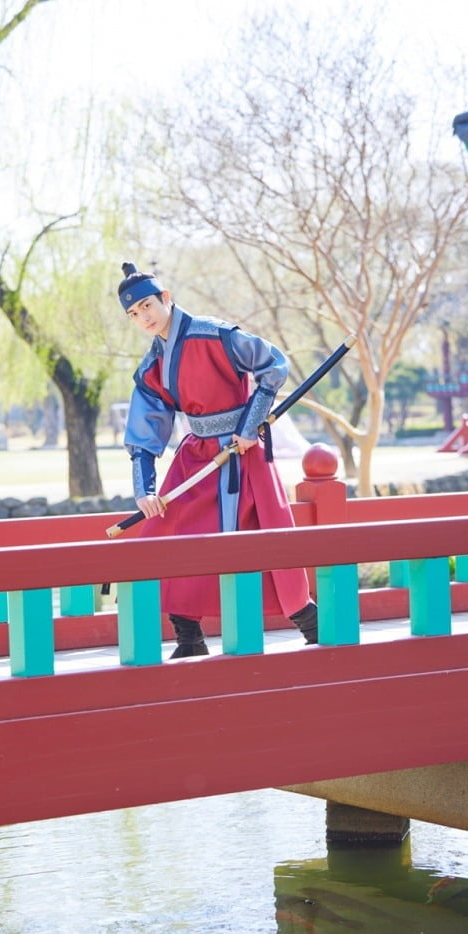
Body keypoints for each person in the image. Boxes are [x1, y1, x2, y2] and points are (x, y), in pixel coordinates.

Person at [118, 262, 318, 658]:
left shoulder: (216, 334)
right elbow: (145, 432)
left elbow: (274, 366)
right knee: (169, 535)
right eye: (133, 313)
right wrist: (146, 489)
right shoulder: (152, 366)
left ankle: (312, 624)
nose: (143, 317)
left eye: (146, 306)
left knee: (267, 539)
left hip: (245, 454)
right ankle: (188, 635)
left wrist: (250, 424)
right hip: (197, 458)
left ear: (166, 298)